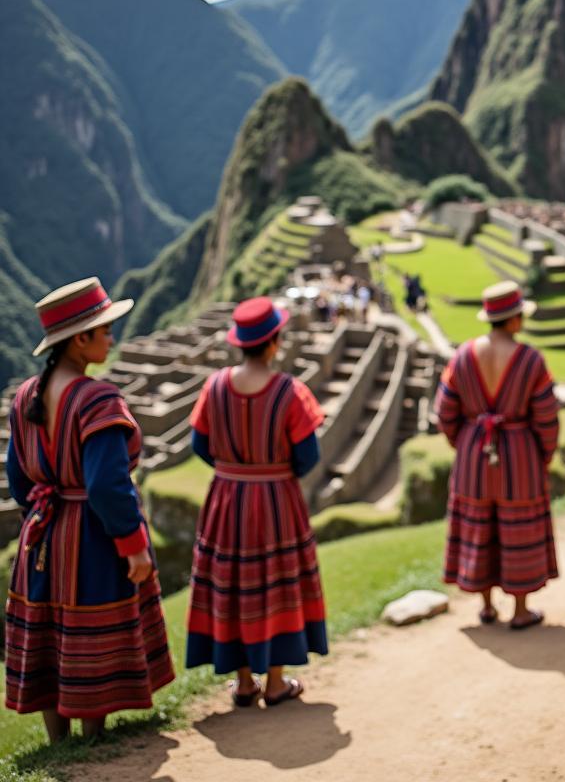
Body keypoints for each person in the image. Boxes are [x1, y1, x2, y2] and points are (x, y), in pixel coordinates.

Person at [4, 278, 174, 741]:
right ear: (80, 340)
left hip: (42, 533)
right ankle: (93, 734)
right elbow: (107, 485)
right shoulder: (98, 400)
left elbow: (19, 480)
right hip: (91, 536)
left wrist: (45, 518)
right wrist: (134, 546)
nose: (112, 338)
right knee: (89, 626)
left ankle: (60, 741)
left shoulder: (24, 399)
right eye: (105, 330)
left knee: (50, 628)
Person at [186, 297, 328, 707]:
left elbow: (201, 444)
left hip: (226, 499)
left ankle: (244, 681)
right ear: (274, 343)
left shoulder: (214, 387)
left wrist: (235, 469)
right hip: (276, 499)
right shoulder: (290, 392)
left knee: (234, 583)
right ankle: (278, 681)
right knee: (277, 580)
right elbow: (308, 456)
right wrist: (273, 474)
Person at [435, 281, 560, 629]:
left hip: (473, 455)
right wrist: (543, 455)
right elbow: (547, 418)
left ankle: (486, 605)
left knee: (479, 525)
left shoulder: (462, 356)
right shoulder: (531, 361)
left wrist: (463, 445)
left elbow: (444, 412)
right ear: (515, 319)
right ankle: (520, 610)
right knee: (518, 528)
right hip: (519, 455)